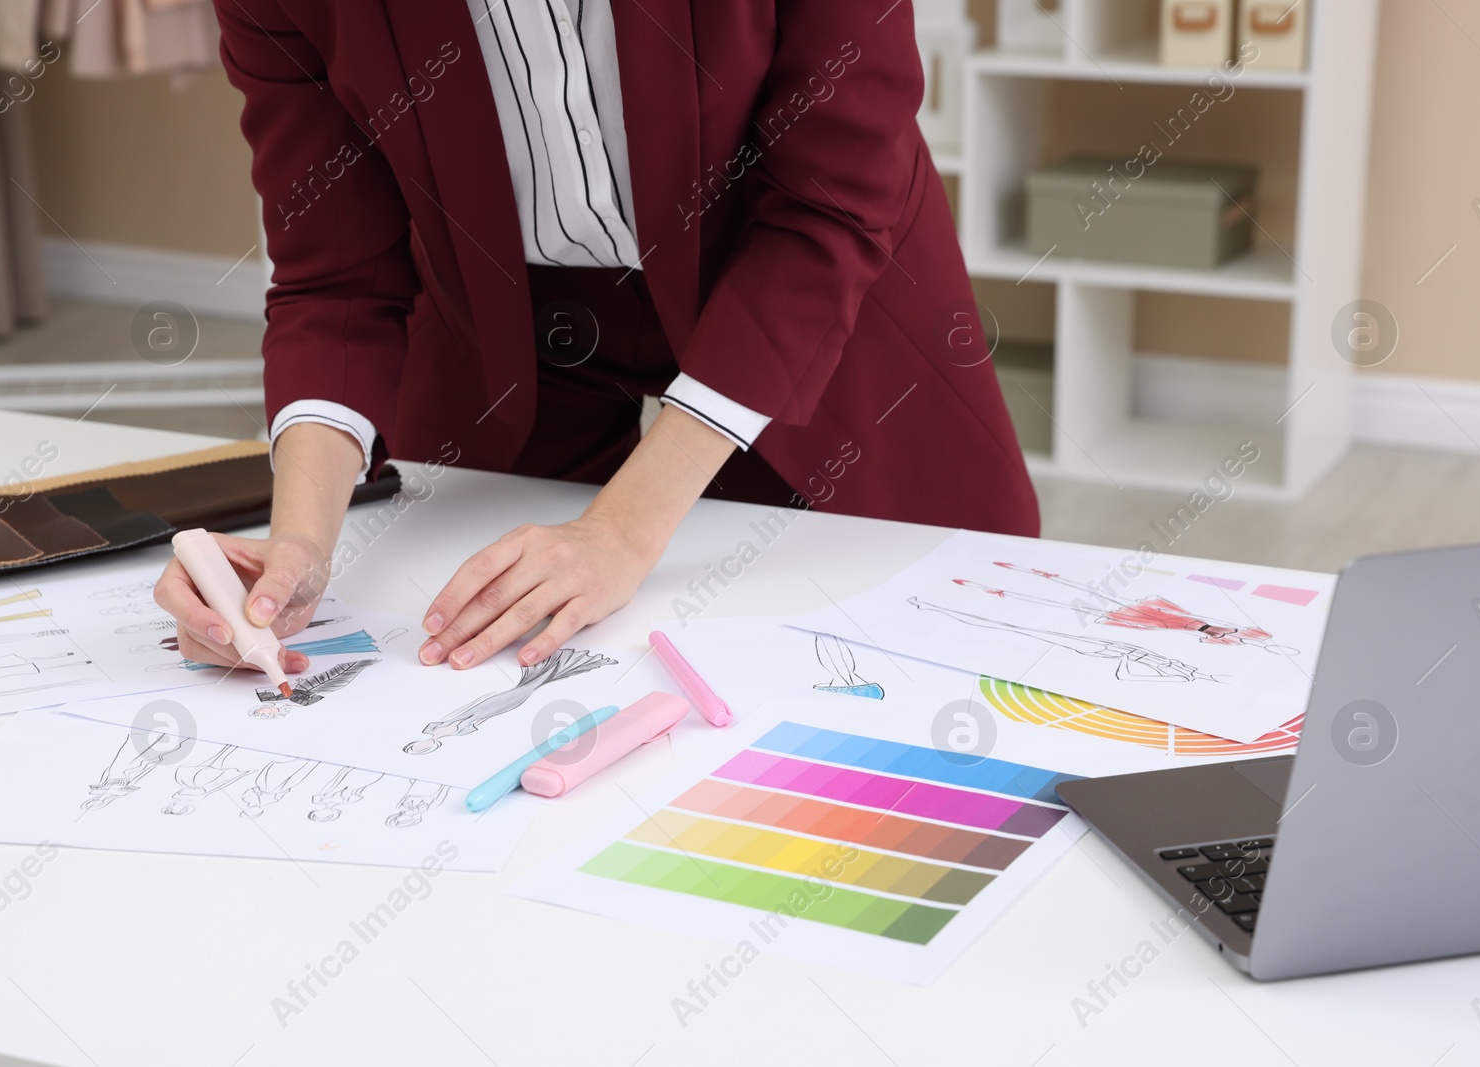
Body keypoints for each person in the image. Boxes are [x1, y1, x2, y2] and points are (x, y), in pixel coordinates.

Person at [155, 0, 1040, 675]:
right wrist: (297, 546)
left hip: (803, 291)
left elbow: (830, 201)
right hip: (505, 316)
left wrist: (623, 529)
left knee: (932, 639)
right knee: (471, 649)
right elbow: (337, 271)